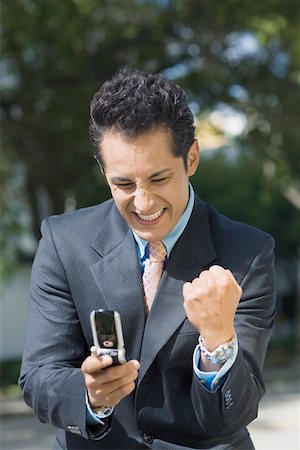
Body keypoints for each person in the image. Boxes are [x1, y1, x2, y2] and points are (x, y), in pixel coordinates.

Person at [19, 68, 276, 450]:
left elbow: (231, 415)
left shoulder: (247, 253)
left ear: (191, 158)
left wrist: (218, 339)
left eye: (158, 179)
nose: (143, 203)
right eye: (123, 184)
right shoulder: (63, 241)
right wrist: (89, 395)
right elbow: (38, 379)